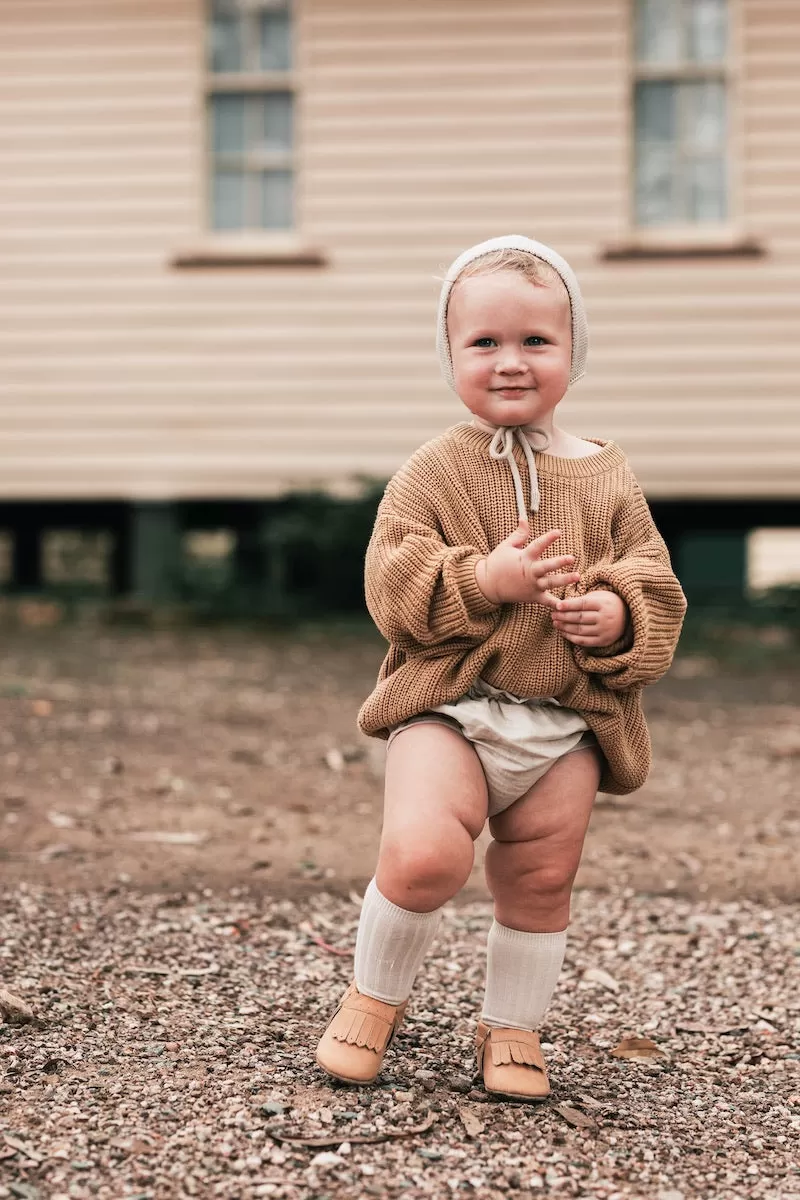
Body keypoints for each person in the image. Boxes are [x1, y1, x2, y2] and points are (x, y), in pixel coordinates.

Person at [315, 234, 687, 1101]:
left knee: (540, 874)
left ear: (573, 351)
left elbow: (656, 579)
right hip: (453, 707)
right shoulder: (435, 471)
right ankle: (374, 998)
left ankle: (512, 1026)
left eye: (535, 342)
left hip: (565, 723)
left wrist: (619, 611)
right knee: (422, 856)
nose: (510, 362)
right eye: (484, 343)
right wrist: (483, 578)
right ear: (450, 357)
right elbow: (392, 583)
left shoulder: (606, 477)